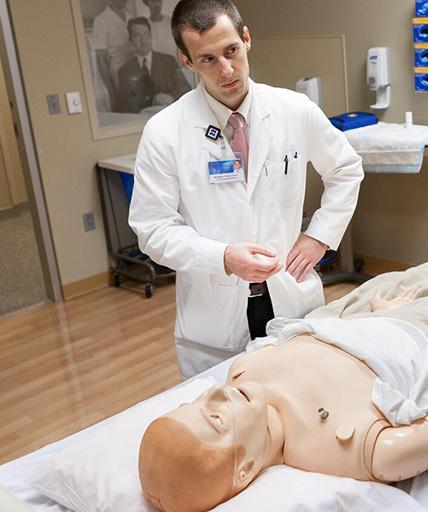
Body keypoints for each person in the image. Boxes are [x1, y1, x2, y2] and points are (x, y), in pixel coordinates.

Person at [128, 0, 364, 379]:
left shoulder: (294, 110)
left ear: (247, 39)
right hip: (214, 319)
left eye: (231, 51)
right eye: (207, 59)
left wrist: (319, 237)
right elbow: (152, 228)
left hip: (290, 300)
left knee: (300, 402)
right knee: (223, 412)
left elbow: (346, 168)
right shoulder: (165, 132)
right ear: (187, 61)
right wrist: (222, 258)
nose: (226, 70)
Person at [138, 293, 428, 512]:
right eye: (215, 418)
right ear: (244, 469)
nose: (217, 393)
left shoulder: (244, 370)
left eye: (196, 401)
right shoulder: (345, 448)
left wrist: (379, 314)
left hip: (379, 318)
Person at [113, 17, 190, 113]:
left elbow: (185, 88)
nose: (143, 40)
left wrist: (171, 96)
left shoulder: (168, 61)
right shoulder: (124, 70)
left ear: (150, 36)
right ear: (131, 40)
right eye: (137, 36)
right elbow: (122, 105)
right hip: (140, 119)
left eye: (146, 35)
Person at [91, 0, 134, 103]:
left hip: (136, 67)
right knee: (126, 104)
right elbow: (101, 60)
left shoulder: (131, 17)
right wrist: (112, 93)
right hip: (118, 71)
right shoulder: (101, 20)